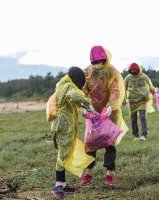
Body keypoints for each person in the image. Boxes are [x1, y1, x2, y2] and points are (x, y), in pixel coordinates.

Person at [80, 45, 126, 186]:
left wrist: (111, 106)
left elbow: (115, 90)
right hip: (93, 112)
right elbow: (83, 90)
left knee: (109, 144)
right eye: (94, 62)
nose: (97, 65)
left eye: (99, 62)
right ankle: (88, 173)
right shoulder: (88, 71)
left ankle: (109, 174)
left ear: (105, 59)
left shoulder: (112, 71)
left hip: (109, 113)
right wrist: (83, 105)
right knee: (90, 142)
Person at [50, 66, 95, 199]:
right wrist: (88, 104)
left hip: (63, 125)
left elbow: (71, 101)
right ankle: (57, 186)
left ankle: (63, 183)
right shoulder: (68, 87)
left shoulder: (63, 85)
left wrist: (82, 108)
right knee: (62, 155)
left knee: (65, 153)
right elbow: (76, 96)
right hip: (63, 126)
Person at [124, 62, 155, 141]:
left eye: (135, 70)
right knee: (133, 118)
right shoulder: (128, 78)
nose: (133, 72)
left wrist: (155, 92)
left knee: (142, 117)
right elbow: (123, 88)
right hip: (132, 101)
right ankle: (135, 135)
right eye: (132, 70)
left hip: (142, 100)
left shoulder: (144, 77)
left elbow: (150, 86)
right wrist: (123, 98)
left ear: (138, 70)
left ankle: (143, 135)